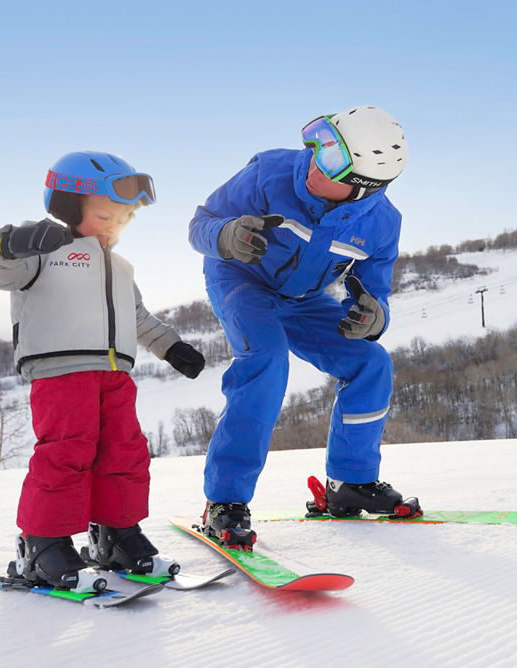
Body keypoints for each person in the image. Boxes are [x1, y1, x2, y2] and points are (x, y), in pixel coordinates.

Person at [188, 105, 419, 547]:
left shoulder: (382, 224)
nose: (315, 156)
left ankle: (349, 484)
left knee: (372, 362)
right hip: (240, 280)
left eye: (332, 158)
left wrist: (374, 316)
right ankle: (224, 501)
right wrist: (226, 235)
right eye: (321, 141)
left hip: (304, 300)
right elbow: (200, 225)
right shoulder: (269, 172)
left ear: (360, 187)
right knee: (266, 362)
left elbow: (372, 290)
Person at [0, 151, 207, 592]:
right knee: (67, 451)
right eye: (104, 213)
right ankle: (42, 544)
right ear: (69, 205)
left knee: (126, 451)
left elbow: (137, 316)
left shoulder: (120, 266)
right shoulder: (43, 249)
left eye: (121, 217)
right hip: (61, 370)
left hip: (115, 372)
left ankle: (116, 536)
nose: (113, 224)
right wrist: (11, 242)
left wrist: (172, 346)